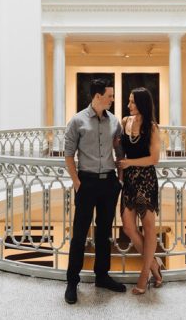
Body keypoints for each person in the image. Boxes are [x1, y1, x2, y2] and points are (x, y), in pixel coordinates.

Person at [63, 78, 126, 305]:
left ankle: (102, 276)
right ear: (98, 96)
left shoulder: (114, 122)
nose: (112, 98)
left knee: (104, 232)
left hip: (109, 183)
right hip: (86, 183)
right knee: (79, 234)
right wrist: (77, 183)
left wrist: (119, 180)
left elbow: (120, 152)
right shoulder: (77, 121)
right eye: (109, 95)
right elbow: (68, 155)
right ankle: (72, 281)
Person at [117, 87, 162, 295]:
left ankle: (145, 274)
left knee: (149, 228)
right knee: (127, 227)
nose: (129, 105)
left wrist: (129, 163)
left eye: (133, 102)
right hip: (129, 182)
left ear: (142, 104)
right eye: (129, 101)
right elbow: (119, 147)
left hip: (146, 181)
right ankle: (154, 264)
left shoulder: (152, 127)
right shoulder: (125, 122)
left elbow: (154, 159)